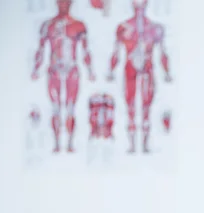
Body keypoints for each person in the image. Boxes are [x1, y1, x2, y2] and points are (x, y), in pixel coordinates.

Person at [106, 0, 172, 154]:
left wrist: (167, 72)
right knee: (130, 107)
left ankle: (144, 144)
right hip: (130, 69)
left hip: (147, 70)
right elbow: (116, 53)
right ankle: (132, 145)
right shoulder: (123, 28)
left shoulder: (155, 29)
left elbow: (163, 54)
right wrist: (110, 71)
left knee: (146, 107)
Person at [31, 0, 96, 153]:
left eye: (66, 2)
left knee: (70, 107)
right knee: (55, 108)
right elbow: (40, 50)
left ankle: (70, 144)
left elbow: (85, 51)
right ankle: (56, 143)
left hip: (72, 70)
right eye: (61, 2)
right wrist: (35, 68)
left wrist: (90, 70)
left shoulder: (78, 25)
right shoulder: (48, 25)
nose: (63, 4)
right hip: (54, 70)